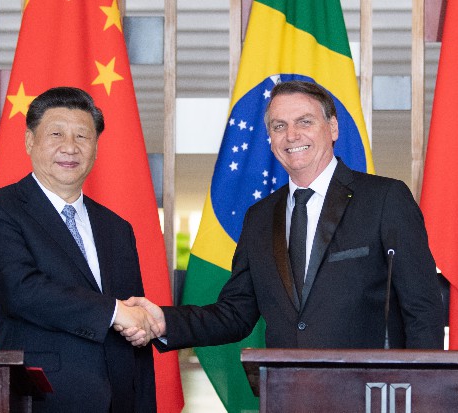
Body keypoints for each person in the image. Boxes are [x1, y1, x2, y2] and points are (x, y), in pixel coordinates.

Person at [121, 80, 445, 351]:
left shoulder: (385, 198)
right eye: (279, 126)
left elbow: (422, 308)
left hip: (371, 392)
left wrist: (420, 392)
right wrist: (163, 321)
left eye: (305, 122)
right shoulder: (259, 217)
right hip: (284, 391)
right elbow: (235, 314)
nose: (291, 135)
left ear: (332, 128)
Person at [0, 86, 156, 413]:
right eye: (56, 134)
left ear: (95, 147)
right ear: (30, 141)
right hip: (42, 397)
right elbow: (20, 291)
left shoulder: (117, 228)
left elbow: (134, 323)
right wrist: (114, 312)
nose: (70, 147)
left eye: (82, 136)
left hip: (119, 399)